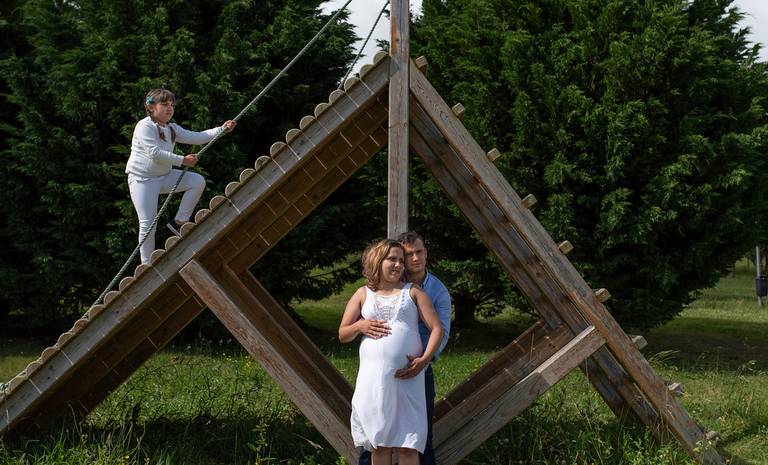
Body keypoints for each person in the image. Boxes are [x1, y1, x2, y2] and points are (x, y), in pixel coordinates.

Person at [340, 239, 444, 465]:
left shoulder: (413, 292)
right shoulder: (362, 294)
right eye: (392, 259)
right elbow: (343, 334)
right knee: (380, 445)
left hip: (407, 378)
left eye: (400, 260)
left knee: (408, 445)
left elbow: (437, 328)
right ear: (378, 261)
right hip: (374, 380)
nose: (398, 264)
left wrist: (424, 360)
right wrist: (360, 326)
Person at [125, 88, 236, 264]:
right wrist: (182, 160)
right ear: (151, 107)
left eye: (171, 105)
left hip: (164, 176)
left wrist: (222, 130)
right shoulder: (144, 126)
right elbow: (154, 153)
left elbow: (198, 137)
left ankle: (179, 222)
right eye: (164, 104)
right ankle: (146, 265)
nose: (169, 108)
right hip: (142, 181)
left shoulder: (172, 128)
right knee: (148, 223)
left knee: (197, 181)